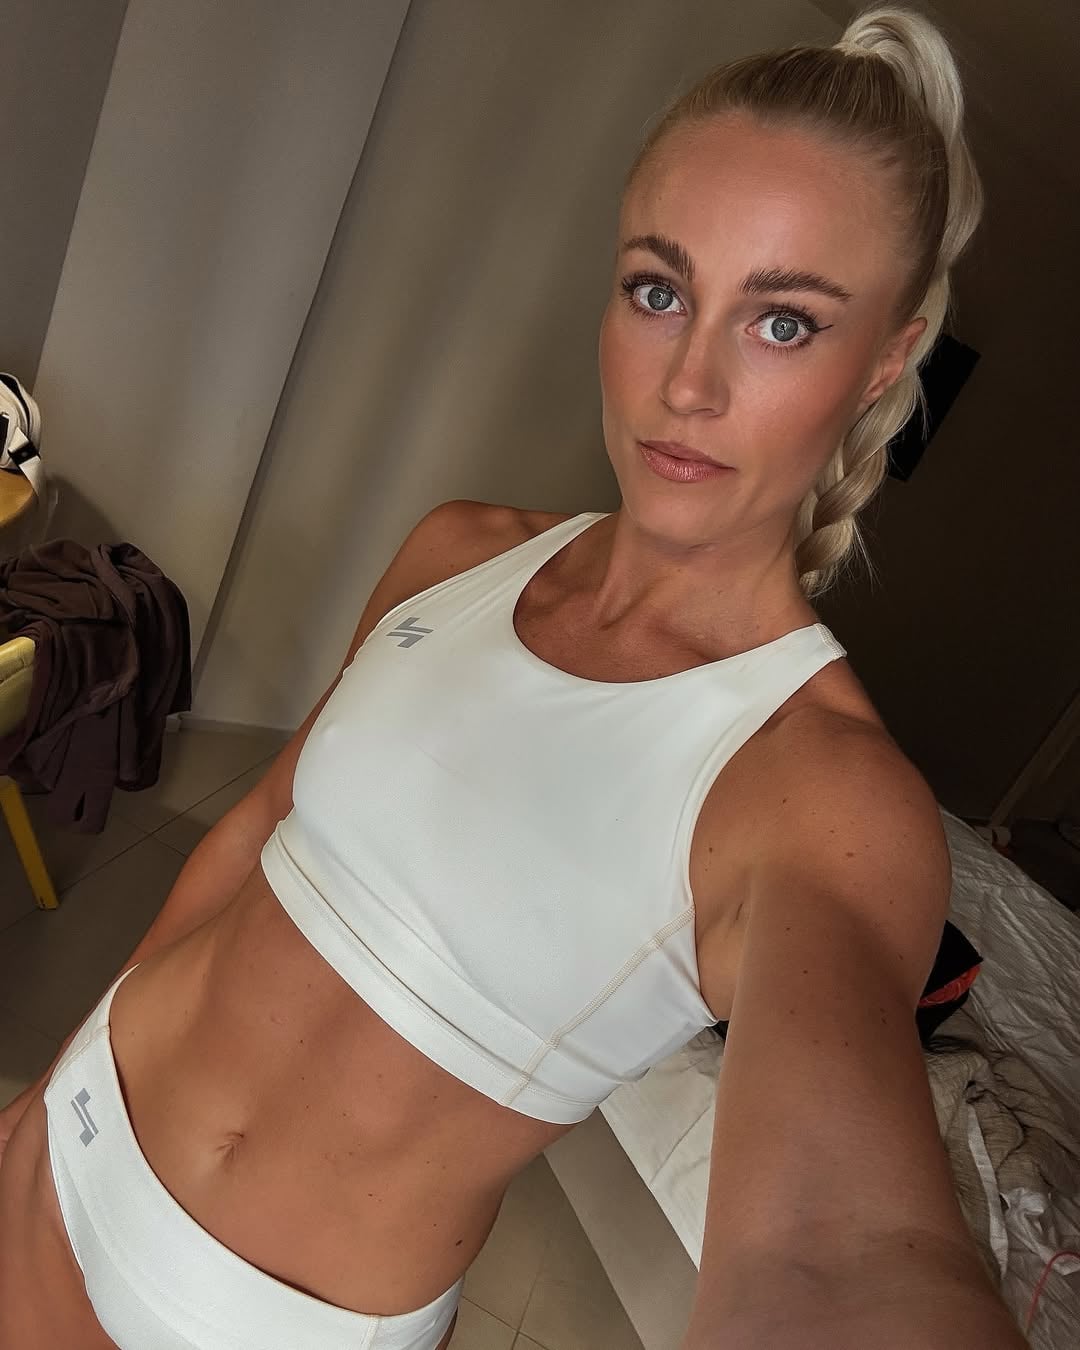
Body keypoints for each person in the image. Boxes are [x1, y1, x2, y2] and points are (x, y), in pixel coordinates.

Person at [0, 7, 1030, 1348]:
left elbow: (840, 1257)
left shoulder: (825, 794)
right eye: (660, 291)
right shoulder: (459, 551)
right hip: (70, 1129)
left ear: (888, 357)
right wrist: (59, 1082)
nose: (689, 382)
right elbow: (259, 831)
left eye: (783, 322)